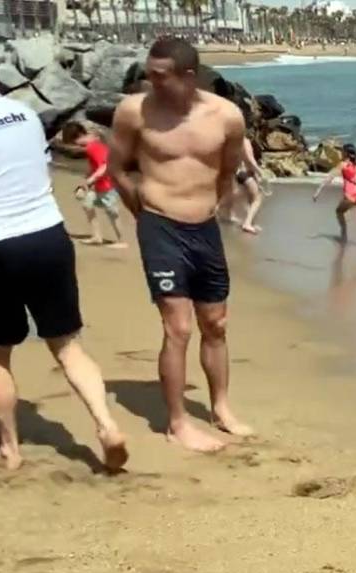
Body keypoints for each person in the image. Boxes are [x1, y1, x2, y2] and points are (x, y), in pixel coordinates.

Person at [0, 42, 127, 471]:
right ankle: (107, 425)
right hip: (48, 236)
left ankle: (11, 449)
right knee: (68, 344)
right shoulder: (23, 114)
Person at [107, 37, 251, 453]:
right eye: (148, 72)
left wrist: (210, 208)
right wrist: (144, 216)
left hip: (204, 227)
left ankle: (221, 407)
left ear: (189, 76)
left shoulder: (226, 116)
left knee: (216, 324)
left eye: (160, 75)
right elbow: (117, 169)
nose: (149, 80)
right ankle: (177, 423)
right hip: (159, 226)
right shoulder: (134, 111)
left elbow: (226, 173)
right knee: (178, 327)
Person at [61, 122, 126, 248]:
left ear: (78, 136)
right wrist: (87, 182)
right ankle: (97, 236)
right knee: (87, 204)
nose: (75, 146)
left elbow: (104, 166)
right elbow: (95, 166)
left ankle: (122, 241)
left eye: (74, 142)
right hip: (98, 185)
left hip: (108, 185)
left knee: (112, 212)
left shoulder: (92, 147)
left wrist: (90, 180)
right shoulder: (93, 143)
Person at [312, 143, 356, 250]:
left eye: (342, 151)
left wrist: (318, 191)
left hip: (350, 195)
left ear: (346, 153)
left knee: (339, 212)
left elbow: (329, 177)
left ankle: (344, 236)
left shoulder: (343, 164)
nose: (341, 153)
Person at [232, 137, 266, 234]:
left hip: (238, 172)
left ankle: (250, 222)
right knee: (258, 198)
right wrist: (260, 172)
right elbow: (249, 160)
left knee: (249, 198)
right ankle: (247, 223)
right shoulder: (245, 141)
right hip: (244, 173)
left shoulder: (235, 142)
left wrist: (255, 175)